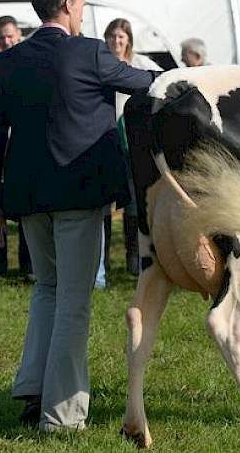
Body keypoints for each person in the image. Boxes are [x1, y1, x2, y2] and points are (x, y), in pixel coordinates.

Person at [0, 0, 158, 431]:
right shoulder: (90, 52)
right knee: (73, 300)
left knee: (48, 290)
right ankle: (61, 415)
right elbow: (146, 81)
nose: (83, 11)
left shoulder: (8, 61)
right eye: (81, 3)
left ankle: (34, 388)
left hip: (28, 195)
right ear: (66, 4)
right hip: (79, 192)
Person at [94, 17, 162, 288]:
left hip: (133, 142)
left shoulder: (141, 64)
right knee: (106, 204)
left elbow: (164, 78)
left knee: (134, 203)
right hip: (104, 139)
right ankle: (104, 262)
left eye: (121, 37)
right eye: (112, 36)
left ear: (129, 40)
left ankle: (134, 259)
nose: (116, 41)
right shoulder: (100, 65)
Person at [0, 16, 32, 280]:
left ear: (18, 35)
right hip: (0, 142)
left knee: (27, 210)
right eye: (1, 37)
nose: (6, 41)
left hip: (23, 145)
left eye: (10, 36)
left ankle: (28, 266)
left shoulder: (28, 61)